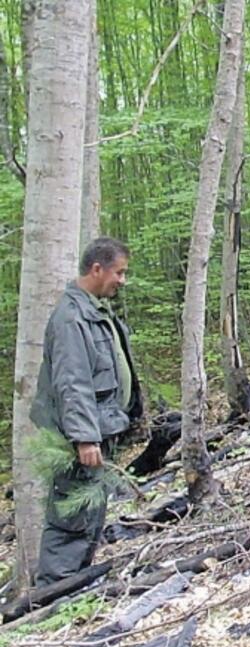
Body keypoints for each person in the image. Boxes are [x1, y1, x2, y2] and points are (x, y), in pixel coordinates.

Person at [31, 237, 143, 586]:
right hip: (77, 439)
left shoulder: (94, 310)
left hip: (98, 430)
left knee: (90, 512)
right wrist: (84, 437)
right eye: (119, 272)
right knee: (71, 518)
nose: (122, 281)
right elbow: (72, 382)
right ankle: (53, 591)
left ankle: (74, 584)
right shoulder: (71, 318)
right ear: (97, 269)